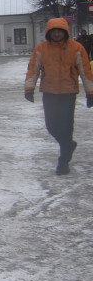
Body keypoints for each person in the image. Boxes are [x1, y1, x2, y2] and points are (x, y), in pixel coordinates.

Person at [24, 18, 93, 175]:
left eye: (59, 31)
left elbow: (86, 71)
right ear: (49, 32)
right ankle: (68, 145)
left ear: (65, 32)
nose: (56, 33)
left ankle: (63, 162)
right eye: (53, 31)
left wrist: (91, 93)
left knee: (67, 127)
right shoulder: (41, 49)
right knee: (52, 126)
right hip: (49, 92)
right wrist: (29, 88)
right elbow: (33, 69)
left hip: (68, 93)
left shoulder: (76, 48)